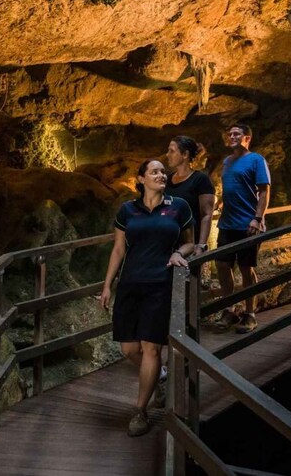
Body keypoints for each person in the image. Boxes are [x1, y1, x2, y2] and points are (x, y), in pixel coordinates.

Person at [100, 159, 194, 437]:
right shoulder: (127, 210)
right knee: (129, 350)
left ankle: (140, 410)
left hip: (160, 284)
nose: (160, 174)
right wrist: (107, 286)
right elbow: (118, 249)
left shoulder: (178, 207)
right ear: (140, 179)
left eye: (163, 171)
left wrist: (180, 253)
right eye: (154, 171)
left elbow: (190, 241)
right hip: (130, 284)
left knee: (151, 348)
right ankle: (161, 377)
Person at [214, 123, 270, 333]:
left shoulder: (256, 160)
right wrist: (220, 202)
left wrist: (257, 218)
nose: (232, 137)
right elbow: (231, 187)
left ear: (247, 138)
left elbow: (264, 192)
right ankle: (229, 309)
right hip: (227, 222)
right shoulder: (227, 162)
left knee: (246, 268)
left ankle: (249, 314)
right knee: (221, 264)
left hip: (248, 224)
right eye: (230, 134)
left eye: (237, 134)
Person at [164, 136, 215, 257]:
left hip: (189, 243)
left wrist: (201, 245)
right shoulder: (167, 180)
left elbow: (206, 215)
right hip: (167, 242)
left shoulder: (200, 180)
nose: (167, 155)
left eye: (172, 151)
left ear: (185, 154)